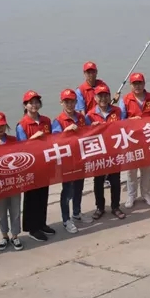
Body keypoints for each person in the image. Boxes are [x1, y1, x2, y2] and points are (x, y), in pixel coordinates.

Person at [51, 88, 93, 234]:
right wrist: (67, 130)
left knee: (79, 188)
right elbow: (54, 141)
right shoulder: (58, 121)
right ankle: (66, 219)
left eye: (72, 101)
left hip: (80, 158)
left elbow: (90, 132)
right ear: (61, 103)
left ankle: (76, 212)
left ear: (76, 102)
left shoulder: (81, 118)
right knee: (67, 190)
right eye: (66, 102)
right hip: (66, 162)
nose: (69, 104)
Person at [16, 90, 56, 241]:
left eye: (36, 102)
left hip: (45, 163)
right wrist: (34, 138)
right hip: (30, 166)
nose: (34, 105)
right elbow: (21, 148)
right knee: (31, 197)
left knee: (43, 195)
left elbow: (53, 139)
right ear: (25, 105)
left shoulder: (46, 120)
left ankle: (41, 223)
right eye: (31, 103)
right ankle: (32, 228)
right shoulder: (22, 125)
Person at [85, 84, 126, 220]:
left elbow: (125, 127)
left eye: (105, 95)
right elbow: (85, 135)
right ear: (95, 98)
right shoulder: (90, 115)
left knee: (115, 180)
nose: (103, 98)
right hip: (98, 153)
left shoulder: (117, 111)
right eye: (100, 96)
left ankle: (115, 206)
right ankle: (100, 207)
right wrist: (91, 128)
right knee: (98, 181)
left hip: (114, 151)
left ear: (109, 97)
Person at [0, 111, 24, 252]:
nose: (0, 129)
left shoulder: (13, 140)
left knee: (15, 210)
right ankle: (4, 236)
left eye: (2, 125)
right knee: (1, 212)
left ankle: (15, 236)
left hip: (14, 181)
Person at [119, 72, 150, 208]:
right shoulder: (125, 100)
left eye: (140, 83)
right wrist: (131, 120)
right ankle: (131, 195)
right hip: (132, 141)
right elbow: (120, 120)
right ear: (130, 85)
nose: (137, 86)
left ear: (144, 84)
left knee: (147, 169)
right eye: (134, 84)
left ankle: (146, 193)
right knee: (131, 171)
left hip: (148, 139)